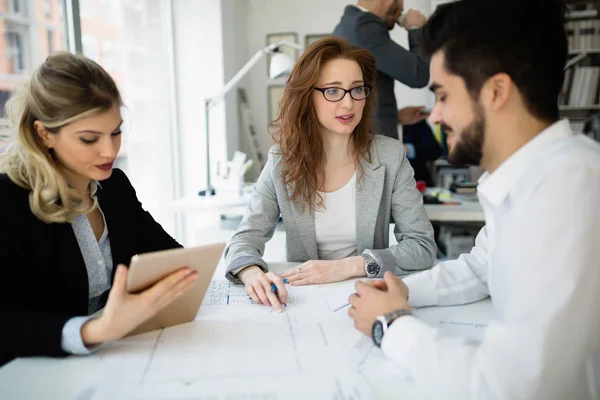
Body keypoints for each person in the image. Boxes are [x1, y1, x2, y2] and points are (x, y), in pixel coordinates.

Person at [348, 0, 600, 398]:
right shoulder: (533, 179)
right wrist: (402, 291)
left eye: (443, 95)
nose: (434, 115)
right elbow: (480, 267)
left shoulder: (568, 187)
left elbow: (513, 385)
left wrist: (391, 325)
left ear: (497, 91)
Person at [0, 52, 199, 367]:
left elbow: (169, 257)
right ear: (44, 134)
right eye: (89, 139)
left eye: (116, 132)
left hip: (114, 359)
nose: (110, 151)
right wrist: (95, 330)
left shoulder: (114, 187)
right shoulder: (8, 200)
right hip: (37, 372)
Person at [225, 37, 436, 312]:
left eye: (357, 89)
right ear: (307, 97)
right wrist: (252, 273)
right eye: (333, 91)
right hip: (301, 303)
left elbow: (422, 247)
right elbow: (244, 240)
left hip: (366, 298)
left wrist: (347, 267)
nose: (348, 104)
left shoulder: (389, 155)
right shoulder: (282, 161)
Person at [333, 0, 430, 140]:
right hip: (373, 148)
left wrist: (395, 116)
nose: (402, 8)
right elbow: (418, 75)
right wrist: (416, 29)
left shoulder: (347, 24)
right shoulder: (364, 26)